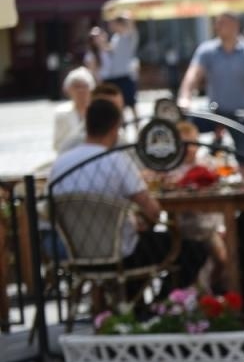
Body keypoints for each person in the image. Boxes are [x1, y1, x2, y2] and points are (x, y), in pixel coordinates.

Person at [51, 98, 206, 295]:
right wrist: (138, 219)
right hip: (121, 253)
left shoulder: (60, 164)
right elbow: (153, 211)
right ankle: (163, 303)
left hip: (76, 253)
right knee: (194, 250)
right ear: (115, 127)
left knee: (148, 243)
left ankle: (130, 305)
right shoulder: (115, 160)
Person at [178, 13, 244, 167]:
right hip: (216, 111)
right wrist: (185, 97)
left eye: (222, 23)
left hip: (243, 113)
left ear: (235, 26)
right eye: (217, 23)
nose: (217, 27)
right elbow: (193, 74)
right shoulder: (207, 50)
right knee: (185, 126)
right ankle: (188, 167)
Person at [164, 120, 229, 290]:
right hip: (188, 226)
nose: (189, 149)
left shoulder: (207, 164)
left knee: (224, 257)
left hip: (211, 223)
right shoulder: (171, 170)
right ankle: (203, 292)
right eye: (184, 145)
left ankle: (211, 290)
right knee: (220, 256)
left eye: (192, 143)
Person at [97, 13, 140, 115]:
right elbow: (111, 50)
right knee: (117, 104)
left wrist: (125, 16)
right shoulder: (115, 37)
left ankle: (137, 124)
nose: (110, 26)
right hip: (114, 77)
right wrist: (101, 43)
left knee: (131, 103)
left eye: (113, 23)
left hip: (125, 75)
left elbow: (131, 26)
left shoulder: (128, 36)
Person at [53, 67, 95, 152]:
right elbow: (58, 144)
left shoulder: (98, 111)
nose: (81, 90)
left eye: (85, 86)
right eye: (77, 86)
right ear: (68, 90)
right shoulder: (62, 113)